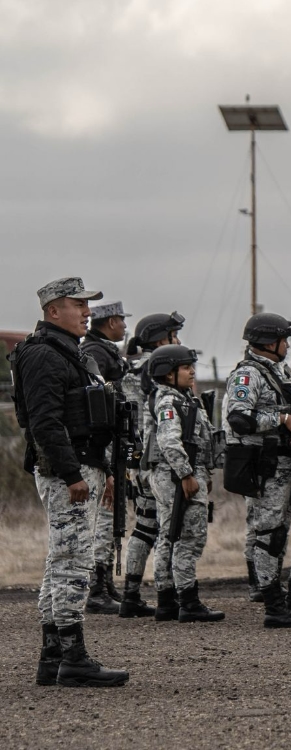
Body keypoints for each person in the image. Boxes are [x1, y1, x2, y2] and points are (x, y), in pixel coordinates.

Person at [13, 277, 128, 687]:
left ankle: (53, 657)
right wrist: (72, 474)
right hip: (69, 473)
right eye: (78, 304)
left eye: (87, 305)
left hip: (84, 467)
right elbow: (44, 423)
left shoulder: (70, 353)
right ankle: (73, 657)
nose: (87, 312)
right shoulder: (44, 355)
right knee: (73, 563)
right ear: (52, 311)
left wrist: (105, 470)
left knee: (61, 560)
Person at [224, 312, 291, 629]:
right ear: (269, 342)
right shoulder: (247, 375)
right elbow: (239, 419)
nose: (287, 345)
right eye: (284, 339)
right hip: (268, 466)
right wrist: (281, 420)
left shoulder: (280, 371)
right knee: (270, 534)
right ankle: (274, 604)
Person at [143, 345, 224, 622]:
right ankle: (188, 601)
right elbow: (168, 440)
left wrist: (203, 473)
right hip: (176, 476)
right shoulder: (169, 402)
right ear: (168, 374)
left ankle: (167, 600)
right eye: (186, 367)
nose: (192, 371)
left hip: (178, 474)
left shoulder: (183, 398)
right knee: (189, 535)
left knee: (170, 534)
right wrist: (187, 474)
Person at [119, 311, 186, 618]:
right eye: (174, 335)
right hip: (153, 460)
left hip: (136, 458)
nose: (178, 339)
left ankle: (131, 594)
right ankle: (167, 593)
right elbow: (141, 423)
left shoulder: (131, 368)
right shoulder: (153, 370)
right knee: (163, 526)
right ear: (161, 338)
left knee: (145, 525)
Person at [78, 300, 131, 615]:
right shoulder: (97, 352)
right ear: (110, 321)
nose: (124, 326)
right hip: (104, 446)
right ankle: (97, 587)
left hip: (112, 444)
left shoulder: (104, 350)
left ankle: (105, 582)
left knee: (113, 515)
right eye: (122, 320)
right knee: (106, 514)